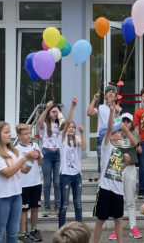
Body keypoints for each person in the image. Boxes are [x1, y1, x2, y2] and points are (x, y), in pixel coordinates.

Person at [0, 121, 40, 243]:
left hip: (16, 195)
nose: (10, 135)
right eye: (6, 132)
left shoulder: (13, 152)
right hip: (0, 198)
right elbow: (8, 173)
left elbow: (24, 170)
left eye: (10, 132)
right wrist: (25, 158)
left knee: (13, 233)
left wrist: (31, 160)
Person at [93, 102, 129, 243]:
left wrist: (125, 163)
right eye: (117, 131)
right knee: (100, 220)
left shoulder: (118, 151)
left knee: (118, 219)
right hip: (105, 189)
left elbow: (118, 170)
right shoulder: (106, 146)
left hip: (118, 190)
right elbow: (108, 128)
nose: (120, 132)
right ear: (111, 136)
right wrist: (112, 113)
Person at [107, 112, 143, 240]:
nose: (126, 123)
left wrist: (126, 131)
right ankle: (116, 229)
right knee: (117, 199)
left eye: (128, 121)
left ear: (132, 123)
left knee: (130, 200)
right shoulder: (115, 133)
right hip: (117, 167)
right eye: (124, 120)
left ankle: (133, 227)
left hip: (131, 167)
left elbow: (137, 146)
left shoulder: (133, 133)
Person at [58, 97, 87, 227]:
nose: (71, 128)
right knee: (65, 204)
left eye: (73, 127)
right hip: (65, 175)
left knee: (78, 203)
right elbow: (67, 121)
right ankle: (61, 228)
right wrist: (72, 106)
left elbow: (85, 148)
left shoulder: (76, 137)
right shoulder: (62, 138)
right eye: (69, 127)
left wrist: (82, 133)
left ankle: (79, 227)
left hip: (76, 175)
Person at [14, 123, 44, 243]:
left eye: (29, 133)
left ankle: (34, 229)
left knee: (35, 207)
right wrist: (30, 159)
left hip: (36, 182)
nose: (28, 136)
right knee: (24, 209)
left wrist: (38, 156)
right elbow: (23, 168)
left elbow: (41, 162)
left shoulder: (35, 145)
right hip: (24, 184)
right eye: (25, 134)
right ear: (19, 136)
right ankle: (22, 233)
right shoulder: (17, 149)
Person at [37, 101, 63, 217]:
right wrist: (47, 109)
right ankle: (47, 207)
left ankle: (58, 206)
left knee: (57, 182)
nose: (55, 114)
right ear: (49, 113)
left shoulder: (60, 124)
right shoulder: (46, 125)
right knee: (47, 183)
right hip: (47, 154)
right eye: (53, 112)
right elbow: (39, 122)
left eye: (57, 112)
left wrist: (60, 115)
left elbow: (67, 125)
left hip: (57, 154)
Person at [87, 84, 119, 175]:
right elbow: (89, 113)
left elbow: (118, 121)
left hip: (113, 137)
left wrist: (113, 108)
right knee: (101, 161)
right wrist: (94, 100)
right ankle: (101, 184)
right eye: (108, 92)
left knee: (113, 160)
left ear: (116, 96)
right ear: (104, 96)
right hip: (101, 137)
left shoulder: (118, 108)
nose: (111, 94)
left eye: (113, 92)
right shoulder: (100, 107)